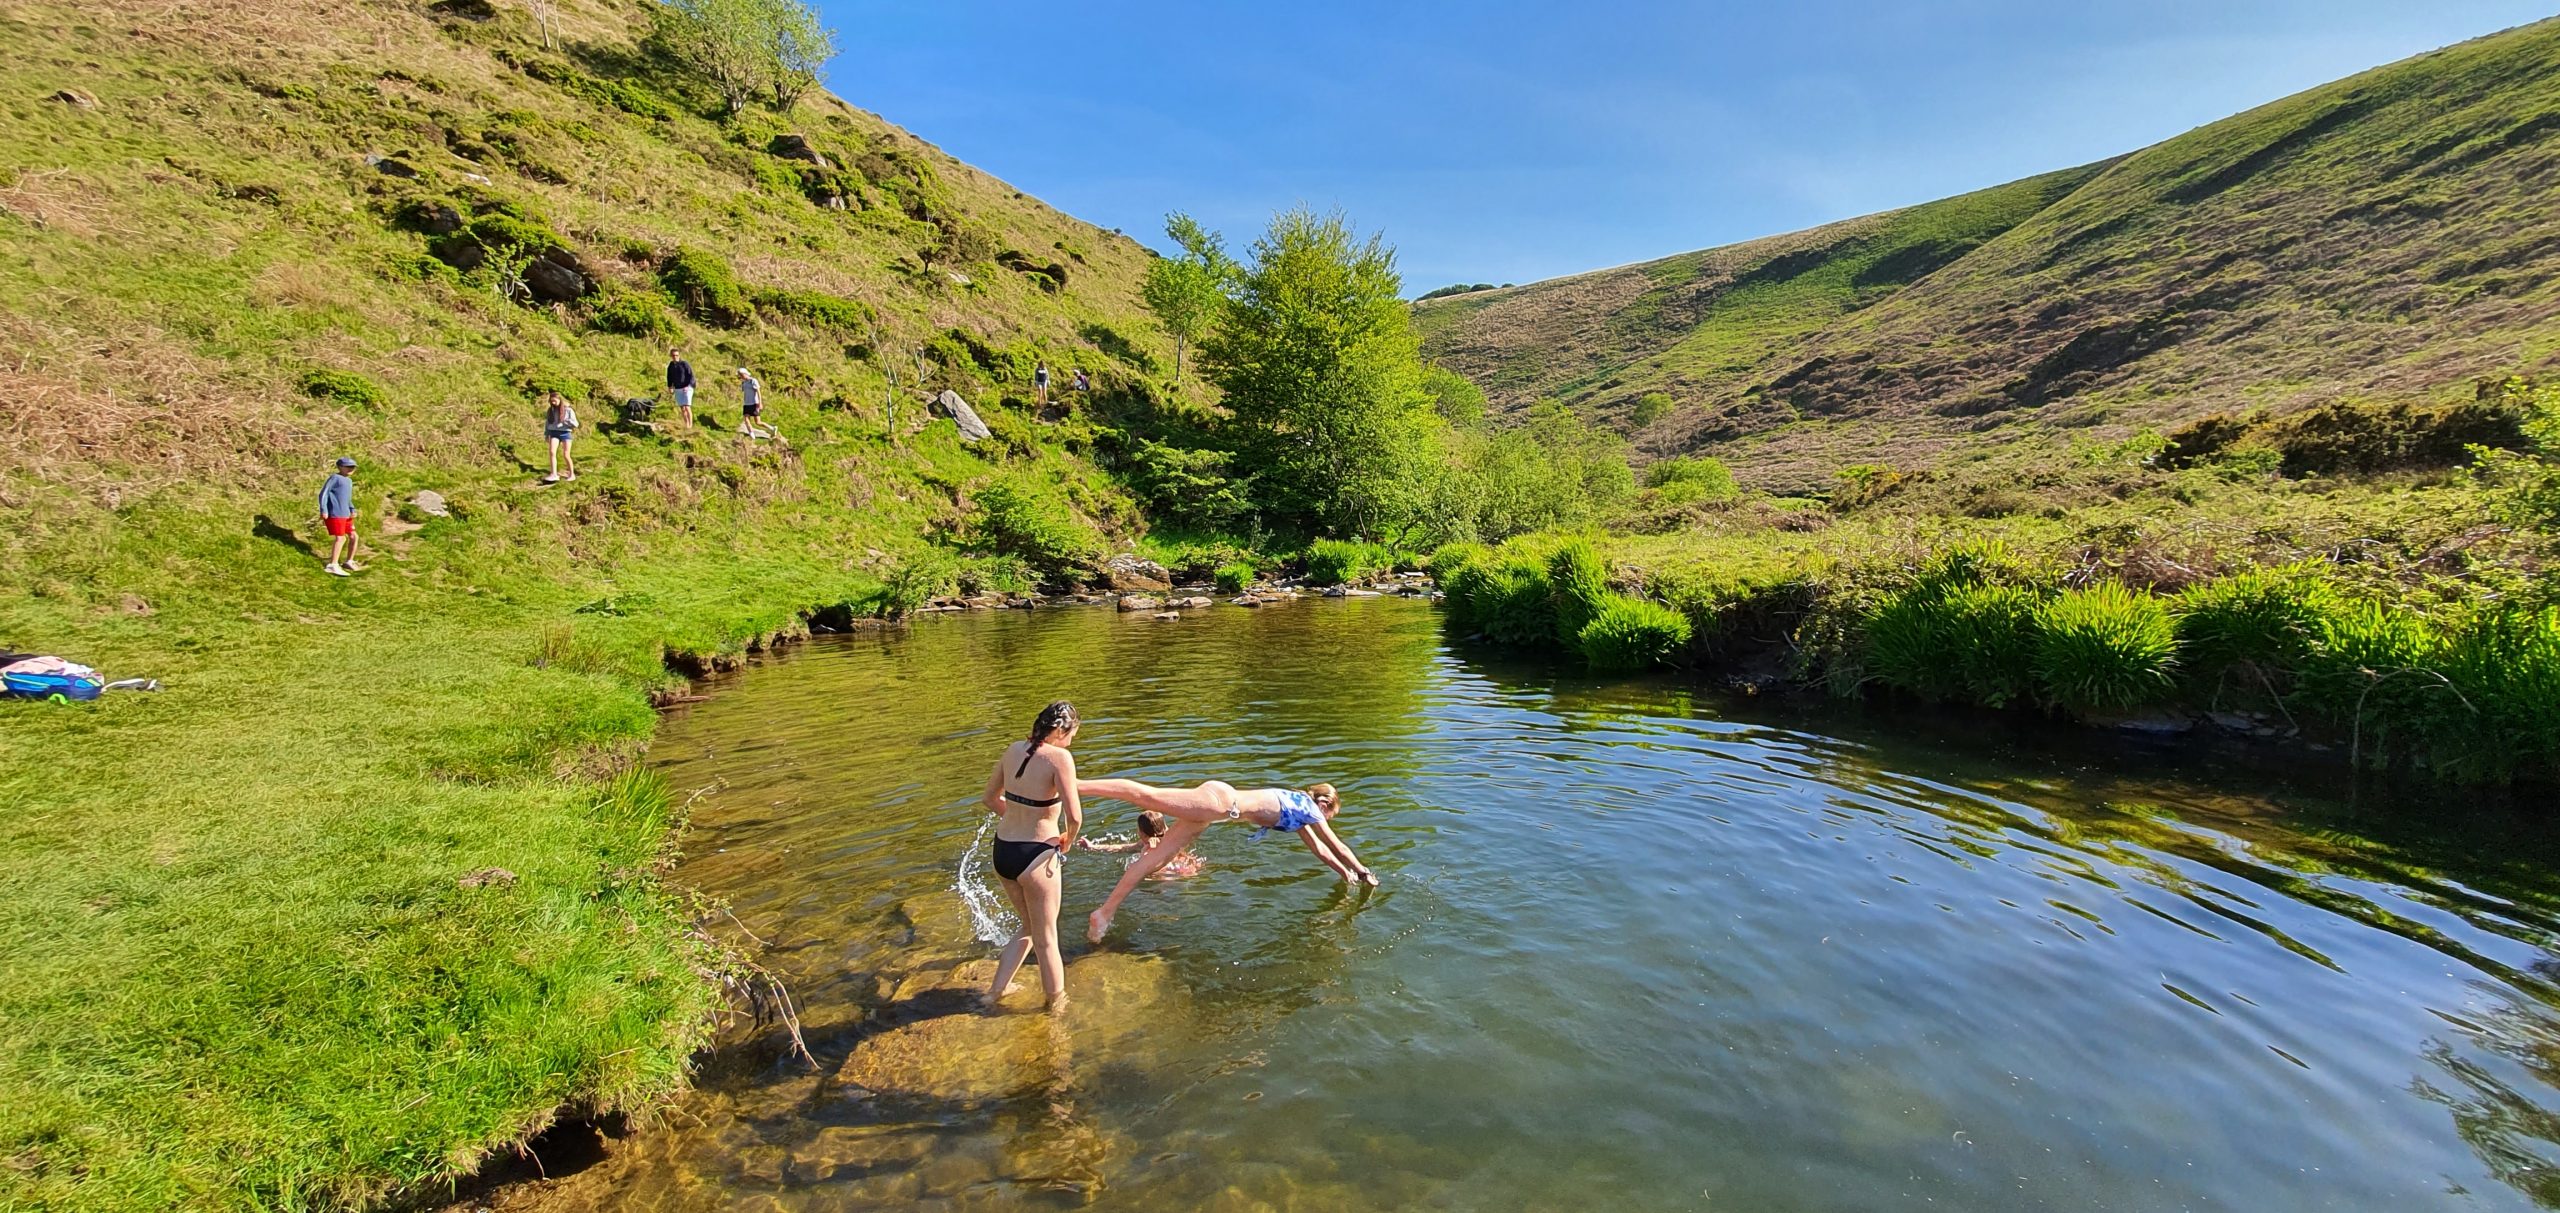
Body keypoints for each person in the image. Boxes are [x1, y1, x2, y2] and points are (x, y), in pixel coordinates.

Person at [1076, 778, 1375, 942]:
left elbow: (1322, 851)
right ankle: (1074, 785)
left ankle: (1105, 913)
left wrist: (1345, 875)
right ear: (1324, 803)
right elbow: (1337, 845)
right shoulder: (1309, 807)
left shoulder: (1300, 810)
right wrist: (1363, 871)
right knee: (1147, 797)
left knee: (1154, 859)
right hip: (1218, 804)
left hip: (1213, 813)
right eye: (1329, 815)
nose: (1326, 820)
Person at [980, 701, 1085, 1011]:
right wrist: (1066, 841)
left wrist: (1015, 814)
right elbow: (1075, 816)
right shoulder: (1060, 758)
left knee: (1028, 927)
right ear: (1060, 730)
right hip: (1037, 855)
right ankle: (1057, 1005)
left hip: (1004, 850)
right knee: (1047, 938)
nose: (1070, 742)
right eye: (1071, 736)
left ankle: (993, 993)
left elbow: (988, 798)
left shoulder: (1013, 748)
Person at [1076, 810, 1205, 880]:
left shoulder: (1148, 846)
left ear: (1142, 834)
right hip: (1187, 865)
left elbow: (1126, 851)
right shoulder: (1172, 837)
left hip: (1166, 874)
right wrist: (1092, 846)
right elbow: (1123, 847)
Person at [318, 456, 362, 577]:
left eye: (352, 467)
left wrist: (352, 508)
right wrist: (324, 510)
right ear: (340, 467)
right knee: (341, 538)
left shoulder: (348, 481)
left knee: (354, 536)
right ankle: (333, 565)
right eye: (348, 466)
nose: (350, 469)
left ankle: (349, 561)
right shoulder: (335, 478)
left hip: (346, 514)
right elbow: (323, 493)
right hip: (336, 513)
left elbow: (347, 498)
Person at [541, 389, 578, 483]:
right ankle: (554, 474)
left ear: (560, 400)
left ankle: (571, 474)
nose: (553, 402)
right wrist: (547, 434)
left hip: (565, 433)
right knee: (552, 452)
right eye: (551, 401)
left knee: (566, 454)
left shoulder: (568, 410)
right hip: (554, 433)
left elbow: (576, 424)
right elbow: (548, 423)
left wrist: (566, 421)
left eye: (555, 401)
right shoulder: (550, 410)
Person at [736, 366, 774, 440]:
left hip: (754, 403)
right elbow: (745, 392)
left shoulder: (753, 381)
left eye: (741, 374)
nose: (740, 376)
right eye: (739, 375)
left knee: (758, 422)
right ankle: (751, 434)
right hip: (747, 404)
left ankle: (771, 428)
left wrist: (760, 403)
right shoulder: (744, 383)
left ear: (745, 374)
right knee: (746, 419)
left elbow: (758, 392)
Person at [666, 348, 696, 430]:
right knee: (682, 408)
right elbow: (669, 377)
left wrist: (689, 385)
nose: (675, 357)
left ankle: (690, 425)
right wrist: (670, 387)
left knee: (687, 406)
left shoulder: (684, 364)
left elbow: (691, 376)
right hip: (678, 388)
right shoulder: (671, 366)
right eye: (673, 355)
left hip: (687, 387)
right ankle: (686, 425)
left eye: (676, 355)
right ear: (671, 356)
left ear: (679, 355)